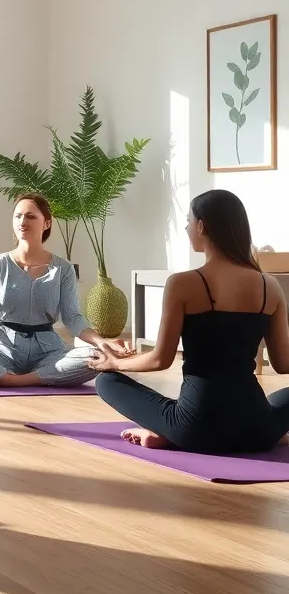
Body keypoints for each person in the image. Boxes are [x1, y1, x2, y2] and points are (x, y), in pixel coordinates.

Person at [88, 189, 289, 452]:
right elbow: (284, 364)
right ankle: (169, 432)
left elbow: (160, 359)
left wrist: (115, 363)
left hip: (195, 428)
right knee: (269, 401)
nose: (186, 227)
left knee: (106, 381)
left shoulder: (182, 283)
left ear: (202, 226)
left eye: (188, 221)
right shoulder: (270, 286)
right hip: (258, 430)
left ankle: (167, 432)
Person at [0, 193, 129, 387]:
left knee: (97, 356)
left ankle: (8, 380)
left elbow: (72, 317)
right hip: (1, 351)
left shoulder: (63, 268)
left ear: (46, 223)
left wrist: (101, 341)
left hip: (48, 353)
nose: (22, 221)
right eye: (18, 216)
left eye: (30, 216)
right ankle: (13, 376)